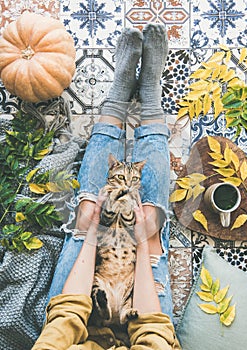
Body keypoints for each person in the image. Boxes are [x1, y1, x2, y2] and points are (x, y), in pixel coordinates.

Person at [32, 24, 181, 349]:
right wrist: (142, 243)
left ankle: (117, 97)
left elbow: (65, 319)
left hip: (78, 324)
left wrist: (93, 233)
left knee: (86, 215)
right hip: (139, 328)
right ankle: (150, 97)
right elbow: (153, 332)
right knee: (150, 227)